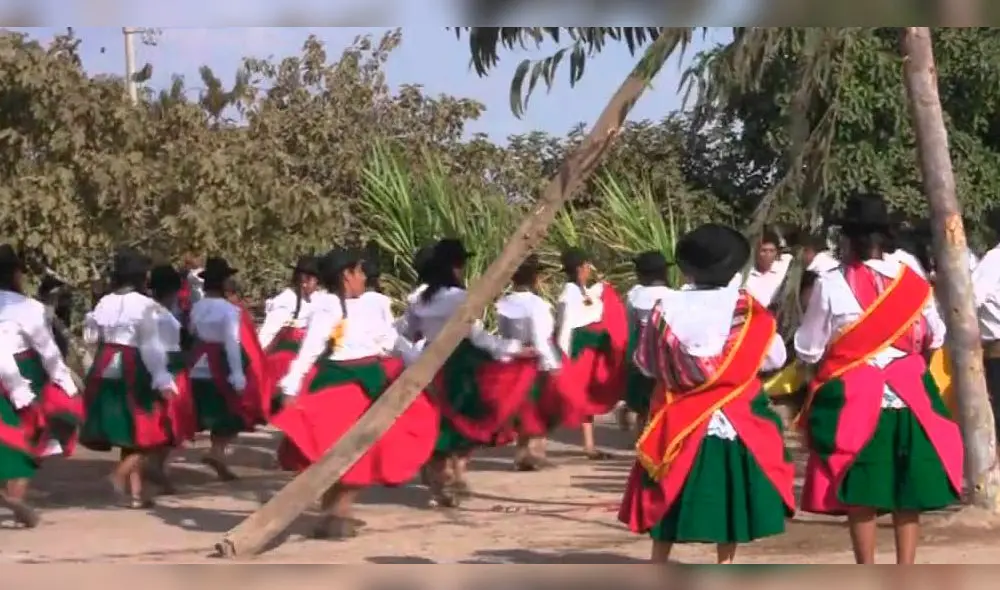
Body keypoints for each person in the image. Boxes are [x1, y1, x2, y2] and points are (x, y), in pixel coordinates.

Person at [794, 193, 962, 564]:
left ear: (848, 240)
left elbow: (809, 347)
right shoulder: (913, 283)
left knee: (862, 489)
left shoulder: (831, 282)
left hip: (856, 396)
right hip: (910, 395)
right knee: (908, 490)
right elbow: (934, 335)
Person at [618, 223, 794, 565]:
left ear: (688, 267)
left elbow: (647, 363)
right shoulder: (750, 310)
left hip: (677, 421)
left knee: (667, 498)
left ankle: (659, 564)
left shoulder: (664, 307)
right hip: (735, 418)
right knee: (728, 504)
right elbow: (776, 358)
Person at [273, 248, 438, 539]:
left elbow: (390, 338)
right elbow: (311, 347)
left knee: (373, 448)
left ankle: (339, 508)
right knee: (339, 450)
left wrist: (418, 363)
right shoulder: (327, 306)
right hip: (340, 383)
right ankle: (335, 509)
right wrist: (291, 385)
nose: (364, 277)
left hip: (375, 378)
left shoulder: (374, 303)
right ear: (346, 275)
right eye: (359, 271)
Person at [398, 238, 536, 507]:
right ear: (455, 267)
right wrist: (516, 349)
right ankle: (456, 475)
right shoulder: (460, 298)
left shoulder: (418, 298)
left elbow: (405, 332)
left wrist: (412, 355)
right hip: (462, 363)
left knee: (439, 425)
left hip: (429, 364)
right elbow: (478, 337)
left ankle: (441, 484)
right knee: (468, 421)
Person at [81, 251, 189, 507]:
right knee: (150, 428)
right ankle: (118, 476)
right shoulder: (146, 306)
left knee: (129, 430)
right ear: (141, 277)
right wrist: (163, 380)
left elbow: (90, 338)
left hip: (106, 362)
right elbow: (150, 346)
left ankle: (137, 495)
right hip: (134, 365)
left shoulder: (104, 302)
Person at [0, 244, 82, 527]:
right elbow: (48, 351)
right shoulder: (28, 308)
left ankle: (12, 501)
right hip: (21, 373)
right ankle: (15, 501)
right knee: (28, 437)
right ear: (16, 274)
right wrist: (64, 382)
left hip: (11, 370)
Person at [187, 256, 270, 481]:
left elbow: (192, 332)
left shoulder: (197, 307)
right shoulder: (229, 310)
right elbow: (232, 343)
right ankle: (217, 451)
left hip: (198, 361)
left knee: (196, 410)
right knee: (233, 411)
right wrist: (238, 375)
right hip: (220, 363)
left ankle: (218, 455)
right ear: (224, 284)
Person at [495, 254, 570, 471]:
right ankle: (536, 453)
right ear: (536, 279)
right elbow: (541, 339)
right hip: (536, 361)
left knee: (522, 407)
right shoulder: (538, 305)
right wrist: (553, 365)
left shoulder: (504, 303)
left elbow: (503, 334)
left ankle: (522, 454)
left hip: (514, 359)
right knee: (541, 407)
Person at [555, 247, 628, 460]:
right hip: (580, 351)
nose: (589, 270)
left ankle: (589, 445)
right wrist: (564, 357)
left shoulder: (580, 291)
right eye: (587, 266)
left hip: (590, 350)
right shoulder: (569, 294)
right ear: (580, 268)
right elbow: (566, 326)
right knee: (582, 395)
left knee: (587, 395)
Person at [620, 251, 672, 433]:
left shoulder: (635, 295)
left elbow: (630, 325)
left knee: (643, 399)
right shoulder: (673, 295)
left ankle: (641, 437)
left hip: (640, 353)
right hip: (666, 355)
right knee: (661, 398)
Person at [258, 255, 321, 384]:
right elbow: (267, 334)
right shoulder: (286, 301)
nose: (317, 285)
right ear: (305, 280)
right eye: (316, 280)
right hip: (282, 363)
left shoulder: (313, 299)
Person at [744, 229, 789, 308]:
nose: (768, 255)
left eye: (772, 251)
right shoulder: (745, 275)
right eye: (763, 251)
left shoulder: (783, 271)